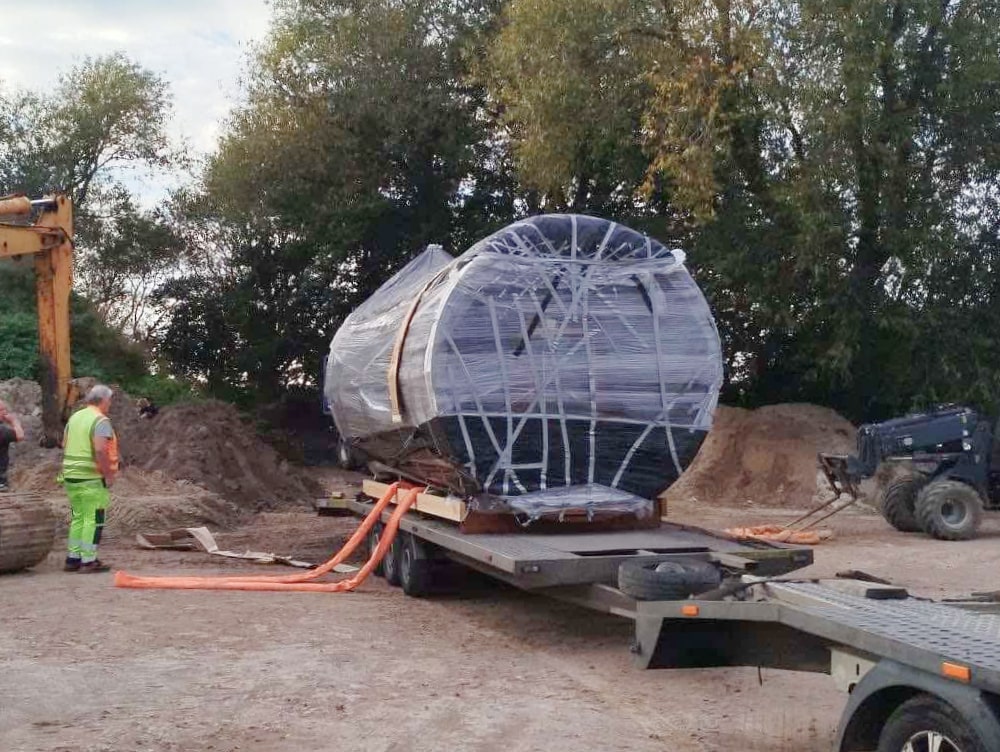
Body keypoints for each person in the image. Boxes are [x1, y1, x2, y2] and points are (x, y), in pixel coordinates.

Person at [60, 384, 119, 573]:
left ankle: (73, 559)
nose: (110, 404)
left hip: (71, 476)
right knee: (93, 518)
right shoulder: (100, 420)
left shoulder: (75, 418)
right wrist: (108, 473)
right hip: (91, 476)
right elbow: (101, 449)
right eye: (109, 400)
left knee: (78, 517)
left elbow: (64, 444)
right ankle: (88, 561)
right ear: (103, 400)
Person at [0, 399, 25, 491]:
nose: (5, 412)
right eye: (2, 410)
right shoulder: (2, 430)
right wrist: (15, 422)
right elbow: (20, 436)